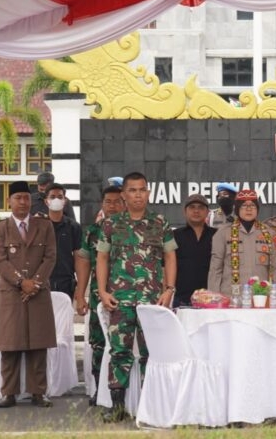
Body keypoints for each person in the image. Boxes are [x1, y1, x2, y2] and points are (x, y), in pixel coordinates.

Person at [96, 171, 177, 422]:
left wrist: (169, 289)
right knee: (119, 351)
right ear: (124, 194)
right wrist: (102, 291)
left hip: (151, 299)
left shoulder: (160, 222)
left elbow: (170, 257)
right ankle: (117, 405)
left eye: (142, 189)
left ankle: (150, 404)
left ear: (148, 192)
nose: (138, 194)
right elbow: (102, 258)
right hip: (119, 298)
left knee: (150, 352)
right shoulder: (110, 224)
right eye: (132, 190)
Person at [0, 181, 57, 409]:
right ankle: (8, 393)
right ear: (9, 201)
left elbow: (50, 257)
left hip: (38, 292)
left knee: (38, 344)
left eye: (26, 198)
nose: (22, 202)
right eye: (18, 197)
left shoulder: (44, 226)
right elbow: (0, 260)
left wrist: (35, 283)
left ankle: (39, 392)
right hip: (10, 293)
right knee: (10, 345)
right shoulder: (0, 228)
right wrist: (21, 282)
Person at [77, 184, 125, 405]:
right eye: (109, 202)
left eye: (117, 202)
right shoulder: (93, 232)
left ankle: (125, 393)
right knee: (98, 343)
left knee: (125, 345)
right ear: (102, 204)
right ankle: (98, 390)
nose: (113, 206)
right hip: (99, 296)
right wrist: (80, 295)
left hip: (127, 295)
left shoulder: (132, 228)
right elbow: (85, 263)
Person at [208, 189, 276, 296]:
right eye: (244, 206)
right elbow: (215, 269)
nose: (249, 209)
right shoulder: (223, 233)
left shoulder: (270, 234)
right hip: (231, 298)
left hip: (261, 297)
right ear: (237, 208)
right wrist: (214, 297)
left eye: (252, 205)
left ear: (257, 209)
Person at [174, 194, 217, 307]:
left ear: (207, 212)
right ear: (185, 211)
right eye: (192, 207)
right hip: (181, 299)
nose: (196, 210)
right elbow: (166, 265)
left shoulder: (217, 235)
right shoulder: (174, 235)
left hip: (211, 298)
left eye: (201, 207)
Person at [44, 183, 83, 300]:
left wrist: (80, 288)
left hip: (66, 283)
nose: (56, 199)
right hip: (43, 282)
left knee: (64, 317)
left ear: (64, 200)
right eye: (52, 196)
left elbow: (79, 258)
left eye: (60, 197)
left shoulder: (73, 227)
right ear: (46, 201)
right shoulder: (40, 226)